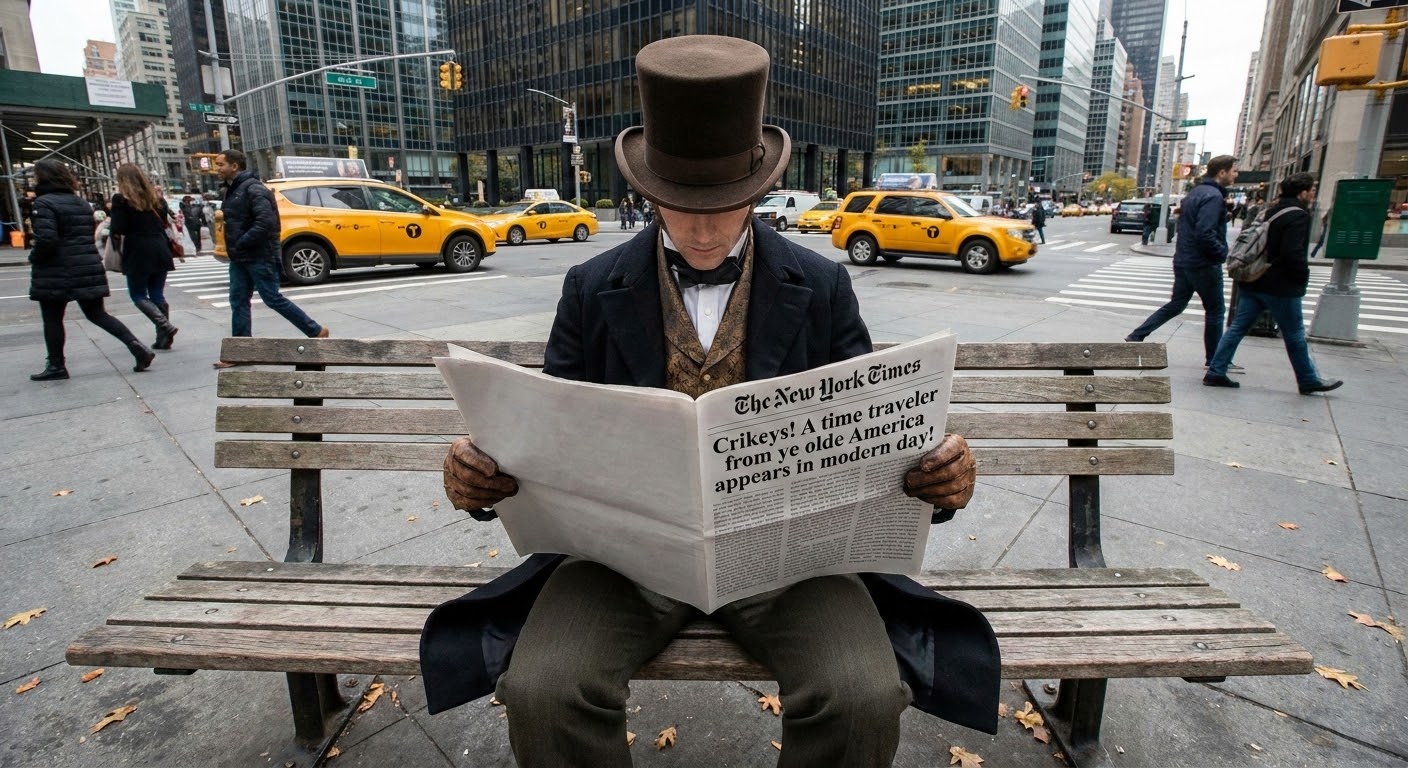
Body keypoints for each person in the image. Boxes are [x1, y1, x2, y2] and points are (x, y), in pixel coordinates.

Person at [421, 36, 1000, 767]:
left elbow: (876, 432)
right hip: (621, 561)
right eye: (677, 204)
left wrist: (939, 479)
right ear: (646, 191)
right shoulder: (590, 288)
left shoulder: (821, 288)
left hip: (791, 562)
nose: (700, 228)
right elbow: (539, 429)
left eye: (724, 206)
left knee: (861, 693)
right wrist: (480, 477)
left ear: (758, 190)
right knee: (542, 687)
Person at [1204, 173, 1342, 394]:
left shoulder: (1270, 211)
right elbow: (1292, 253)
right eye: (1311, 191)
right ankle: (1307, 378)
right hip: (1280, 284)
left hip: (1255, 278)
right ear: (1302, 192)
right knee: (1294, 333)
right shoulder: (1298, 215)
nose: (1312, 195)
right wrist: (1300, 277)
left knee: (1238, 327)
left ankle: (1216, 370)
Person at [26, 159, 153, 380]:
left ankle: (56, 365)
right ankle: (137, 346)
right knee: (97, 313)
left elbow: (47, 240)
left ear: (42, 178)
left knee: (53, 318)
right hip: (86, 264)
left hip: (57, 268)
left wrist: (34, 257)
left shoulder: (43, 203)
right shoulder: (80, 202)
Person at [211, 149, 328, 369]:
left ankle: (315, 330)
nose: (217, 169)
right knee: (238, 301)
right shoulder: (232, 189)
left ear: (234, 166)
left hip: (258, 255)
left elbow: (266, 222)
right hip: (241, 257)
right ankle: (241, 352)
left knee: (272, 298)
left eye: (220, 164)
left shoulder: (253, 188)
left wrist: (241, 243)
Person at [1125, 155, 1238, 368]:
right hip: (1203, 262)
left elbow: (1195, 225)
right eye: (1233, 170)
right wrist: (1221, 252)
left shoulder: (1195, 193)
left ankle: (1137, 335)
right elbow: (1205, 233)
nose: (1236, 175)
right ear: (1221, 172)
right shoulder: (1213, 196)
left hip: (1184, 259)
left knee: (1176, 304)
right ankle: (1215, 361)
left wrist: (1222, 219)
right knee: (1215, 310)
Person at [110, 164, 181, 352]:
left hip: (138, 249)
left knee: (138, 294)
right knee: (157, 292)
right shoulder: (157, 200)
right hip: (160, 248)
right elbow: (165, 222)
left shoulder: (121, 200)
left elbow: (119, 228)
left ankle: (165, 326)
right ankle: (163, 338)